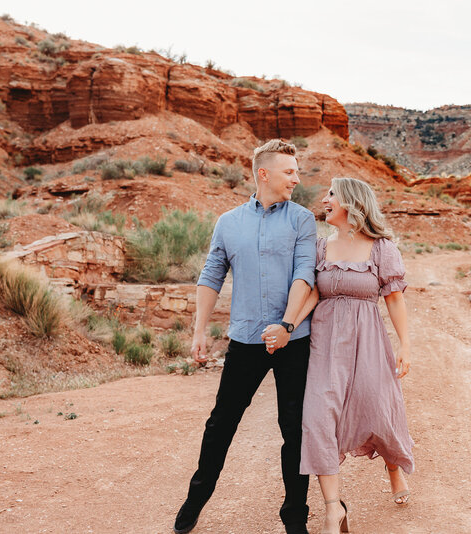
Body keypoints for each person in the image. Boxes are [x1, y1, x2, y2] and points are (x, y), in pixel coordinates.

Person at [173, 139, 317, 534]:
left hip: (294, 341)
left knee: (295, 428)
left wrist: (286, 326)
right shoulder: (228, 222)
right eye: (289, 171)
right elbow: (211, 275)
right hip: (246, 341)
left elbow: (306, 274)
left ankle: (294, 516)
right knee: (221, 423)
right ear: (263, 173)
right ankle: (195, 500)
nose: (297, 178)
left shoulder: (302, 219)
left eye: (297, 171)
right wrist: (199, 330)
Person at [288, 177, 414, 534]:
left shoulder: (381, 248)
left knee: (378, 409)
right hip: (325, 344)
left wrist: (405, 345)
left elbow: (393, 298)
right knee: (318, 418)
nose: (324, 200)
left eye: (331, 195)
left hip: (368, 340)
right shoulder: (319, 247)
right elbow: (312, 293)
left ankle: (393, 469)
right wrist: (288, 326)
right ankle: (332, 509)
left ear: (351, 203)